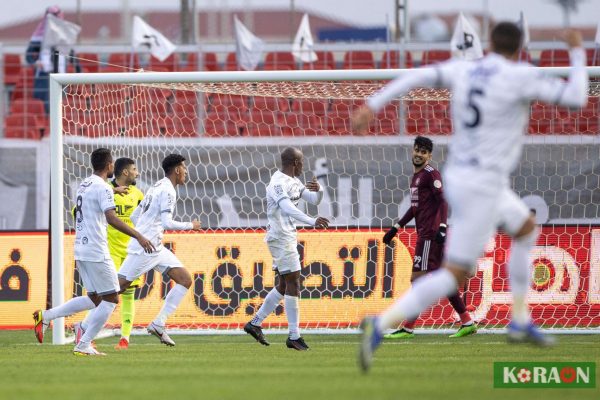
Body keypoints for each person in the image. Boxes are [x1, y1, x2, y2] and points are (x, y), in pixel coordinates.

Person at [352, 24, 588, 371]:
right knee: (452, 275)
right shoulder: (520, 75)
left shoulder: (465, 68)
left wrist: (372, 105)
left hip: (464, 177)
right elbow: (577, 97)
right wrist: (578, 51)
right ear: (520, 47)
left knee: (525, 229)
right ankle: (383, 323)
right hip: (483, 182)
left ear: (490, 44)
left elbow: (415, 75)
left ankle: (520, 318)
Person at [33, 148, 155, 356]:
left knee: (94, 298)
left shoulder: (86, 183)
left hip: (81, 248)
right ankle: (84, 343)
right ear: (109, 166)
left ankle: (46, 316)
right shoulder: (104, 188)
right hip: (97, 250)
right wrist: (139, 236)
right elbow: (112, 218)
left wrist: (112, 192)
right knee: (112, 299)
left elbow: (91, 201)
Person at [383, 136, 475, 339]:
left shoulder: (430, 174)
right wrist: (396, 227)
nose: (419, 154)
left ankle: (408, 327)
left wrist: (442, 227)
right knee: (445, 279)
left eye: (423, 152)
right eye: (417, 150)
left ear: (429, 155)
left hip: (429, 236)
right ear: (412, 151)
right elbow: (416, 208)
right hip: (427, 234)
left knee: (417, 280)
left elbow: (443, 201)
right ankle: (467, 321)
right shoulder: (416, 177)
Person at [244, 147, 329, 351]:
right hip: (280, 236)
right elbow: (287, 207)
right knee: (294, 282)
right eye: (301, 162)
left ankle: (255, 323)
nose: (303, 165)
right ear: (295, 163)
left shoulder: (295, 182)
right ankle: (294, 336)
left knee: (284, 284)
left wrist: (320, 191)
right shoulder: (277, 183)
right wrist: (311, 220)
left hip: (287, 235)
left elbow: (313, 200)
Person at [115, 154, 201, 347]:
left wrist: (146, 232)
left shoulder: (157, 186)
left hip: (155, 247)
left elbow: (136, 215)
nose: (186, 172)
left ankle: (158, 323)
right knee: (115, 289)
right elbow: (167, 222)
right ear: (177, 170)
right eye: (184, 169)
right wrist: (191, 225)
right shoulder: (169, 191)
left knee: (185, 279)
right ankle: (82, 325)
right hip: (145, 249)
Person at [76, 158, 144, 350]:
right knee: (104, 295)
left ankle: (125, 338)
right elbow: (77, 211)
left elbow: (144, 219)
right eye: (134, 169)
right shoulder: (102, 189)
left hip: (131, 251)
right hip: (108, 250)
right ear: (124, 172)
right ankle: (86, 331)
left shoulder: (138, 195)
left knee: (128, 294)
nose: (137, 173)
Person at [25, 6, 80, 114]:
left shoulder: (64, 37)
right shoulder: (39, 37)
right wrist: (36, 63)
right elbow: (29, 56)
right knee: (44, 106)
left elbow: (73, 57)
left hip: (61, 76)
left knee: (60, 107)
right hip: (44, 76)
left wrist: (79, 72)